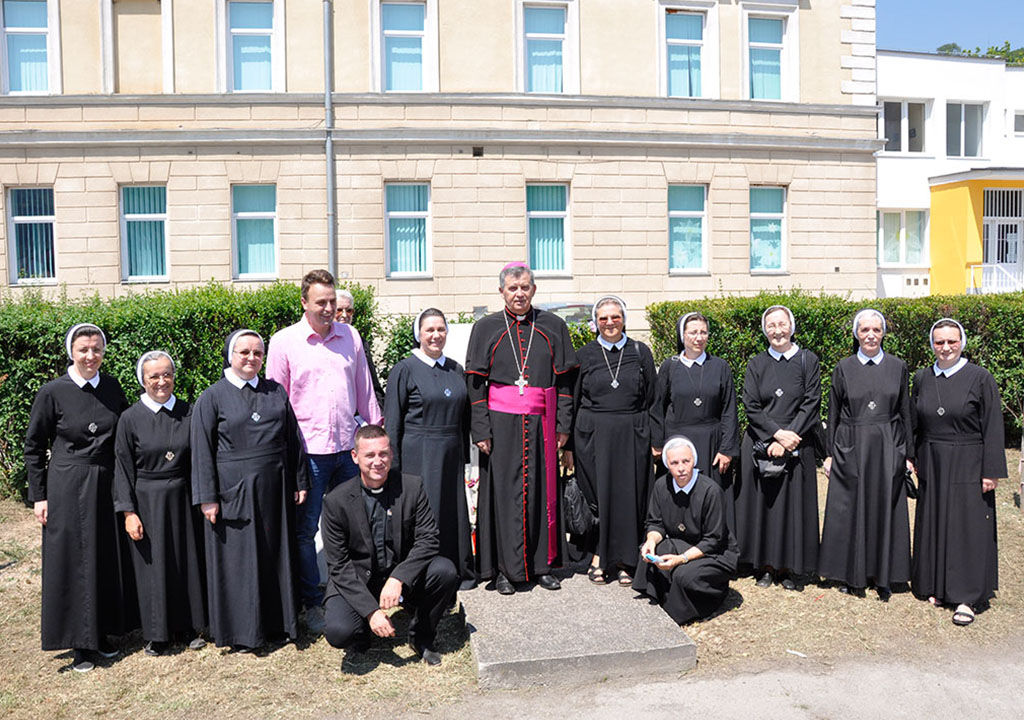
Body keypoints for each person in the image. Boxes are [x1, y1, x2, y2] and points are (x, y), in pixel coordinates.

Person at [266, 270, 383, 634]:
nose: (329, 308)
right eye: (321, 302)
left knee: (360, 525)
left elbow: (364, 388)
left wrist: (376, 437)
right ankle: (313, 602)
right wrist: (285, 455)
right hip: (309, 454)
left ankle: (359, 594)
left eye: (333, 302)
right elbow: (276, 404)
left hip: (348, 449)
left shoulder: (351, 336)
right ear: (304, 302)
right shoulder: (284, 342)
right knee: (305, 532)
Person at [192, 329, 310, 650]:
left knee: (275, 555)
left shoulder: (275, 392)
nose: (251, 358)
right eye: (244, 352)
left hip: (275, 489)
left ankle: (278, 624)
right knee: (239, 561)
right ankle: (242, 632)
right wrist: (207, 498)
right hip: (234, 493)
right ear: (230, 355)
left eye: (257, 353)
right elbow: (202, 450)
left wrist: (300, 480)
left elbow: (293, 439)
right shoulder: (212, 397)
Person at [25, 323, 133, 673]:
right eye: (84, 349)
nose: (91, 356)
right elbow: (33, 447)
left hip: (106, 481)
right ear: (71, 351)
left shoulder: (112, 387)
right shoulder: (52, 392)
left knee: (104, 556)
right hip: (67, 483)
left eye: (97, 349)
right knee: (72, 561)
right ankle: (79, 644)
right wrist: (39, 496)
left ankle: (102, 634)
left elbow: (127, 435)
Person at [465, 262, 579, 594]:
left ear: (534, 290)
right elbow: (475, 384)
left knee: (542, 493)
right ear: (502, 291)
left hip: (543, 422)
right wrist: (481, 430)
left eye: (525, 287)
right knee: (503, 495)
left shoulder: (553, 326)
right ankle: (504, 570)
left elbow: (566, 382)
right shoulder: (486, 328)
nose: (519, 294)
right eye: (513, 288)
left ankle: (543, 565)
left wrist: (563, 425)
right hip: (500, 426)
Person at [321, 425, 459, 666]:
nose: (378, 461)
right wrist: (371, 612)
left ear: (391, 454)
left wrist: (398, 578)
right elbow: (339, 566)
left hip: (400, 577)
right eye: (370, 455)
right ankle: (364, 629)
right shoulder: (336, 501)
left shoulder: (412, 487)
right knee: (339, 631)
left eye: (383, 453)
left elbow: (428, 539)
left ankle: (421, 637)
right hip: (359, 580)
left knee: (444, 571)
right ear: (355, 457)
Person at [911, 319, 1007, 626]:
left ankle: (966, 596)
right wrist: (912, 457)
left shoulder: (980, 378)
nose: (946, 347)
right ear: (932, 344)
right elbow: (916, 423)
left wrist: (990, 471)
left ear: (962, 342)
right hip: (933, 461)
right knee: (936, 524)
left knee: (966, 529)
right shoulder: (923, 377)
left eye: (952, 341)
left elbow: (993, 426)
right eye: (939, 342)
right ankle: (936, 586)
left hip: (969, 460)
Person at [114, 351, 207, 655]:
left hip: (182, 497)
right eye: (154, 376)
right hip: (147, 499)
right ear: (143, 379)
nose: (161, 381)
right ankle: (158, 633)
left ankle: (189, 627)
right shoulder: (129, 418)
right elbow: (123, 467)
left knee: (185, 562)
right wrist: (128, 511)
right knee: (153, 567)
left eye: (167, 374)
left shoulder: (188, 411)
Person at [818, 310, 913, 600]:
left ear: (883, 333)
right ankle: (851, 573)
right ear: (856, 334)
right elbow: (833, 413)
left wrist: (908, 454)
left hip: (887, 445)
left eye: (876, 330)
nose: (870, 335)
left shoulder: (898, 367)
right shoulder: (843, 367)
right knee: (851, 509)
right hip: (851, 444)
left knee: (885, 506)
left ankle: (883, 575)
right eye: (864, 330)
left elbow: (905, 413)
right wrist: (830, 453)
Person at [385, 308, 474, 589]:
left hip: (450, 452)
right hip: (418, 453)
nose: (436, 335)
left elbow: (464, 416)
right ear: (418, 334)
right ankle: (424, 576)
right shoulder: (404, 369)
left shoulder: (455, 368)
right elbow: (393, 423)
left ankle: (457, 571)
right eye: (429, 330)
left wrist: (464, 456)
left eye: (441, 329)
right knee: (426, 513)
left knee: (453, 512)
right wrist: (393, 466)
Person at [734, 305, 821, 590]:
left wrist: (790, 435)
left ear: (792, 326)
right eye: (771, 325)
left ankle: (790, 567)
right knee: (764, 506)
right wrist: (775, 435)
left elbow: (811, 401)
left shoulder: (808, 360)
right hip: (762, 442)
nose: (777, 330)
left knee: (792, 507)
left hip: (798, 442)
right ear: (764, 330)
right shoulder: (756, 363)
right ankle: (765, 565)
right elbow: (751, 405)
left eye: (782, 324)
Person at [572, 295, 656, 585]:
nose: (610, 323)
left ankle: (625, 560)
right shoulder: (584, 355)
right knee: (600, 498)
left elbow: (652, 398)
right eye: (603, 318)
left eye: (615, 317)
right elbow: (573, 400)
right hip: (595, 435)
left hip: (632, 433)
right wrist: (570, 446)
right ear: (595, 321)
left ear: (624, 319)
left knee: (629, 497)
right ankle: (599, 555)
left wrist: (653, 438)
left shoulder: (639, 351)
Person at [635, 436, 738, 624]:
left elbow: (713, 540)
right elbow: (656, 523)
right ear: (667, 464)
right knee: (651, 550)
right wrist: (650, 541)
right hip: (680, 542)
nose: (681, 468)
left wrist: (681, 559)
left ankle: (707, 598)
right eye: (674, 463)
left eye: (686, 461)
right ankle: (662, 597)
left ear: (694, 461)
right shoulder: (661, 486)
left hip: (714, 552)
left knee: (684, 576)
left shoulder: (710, 491)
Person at [651, 312, 740, 532]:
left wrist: (727, 448)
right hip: (677, 441)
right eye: (693, 332)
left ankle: (715, 547)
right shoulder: (669, 367)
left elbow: (729, 409)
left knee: (712, 497)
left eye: (703, 332)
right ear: (682, 336)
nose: (698, 338)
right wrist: (658, 443)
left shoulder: (720, 367)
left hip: (711, 443)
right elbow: (657, 407)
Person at [335, 288, 386, 411]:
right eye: (339, 310)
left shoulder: (359, 341)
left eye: (349, 310)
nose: (344, 315)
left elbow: (372, 382)